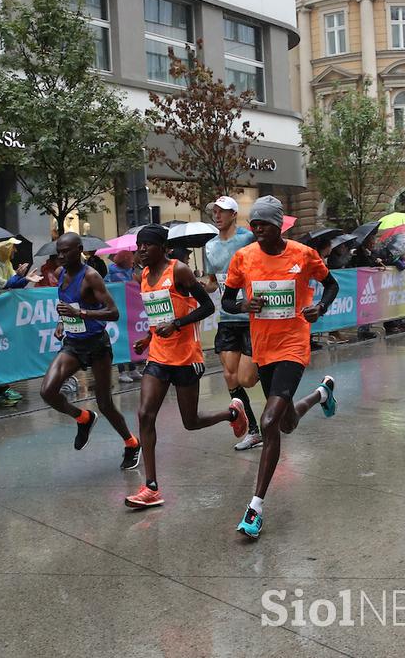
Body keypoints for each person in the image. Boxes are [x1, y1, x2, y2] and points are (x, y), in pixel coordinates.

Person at [221, 196, 340, 538]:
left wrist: (322, 306)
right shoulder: (243, 258)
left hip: (293, 345)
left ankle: (255, 508)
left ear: (279, 226)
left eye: (264, 225)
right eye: (254, 224)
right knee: (286, 423)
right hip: (263, 348)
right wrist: (243, 303)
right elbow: (228, 300)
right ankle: (321, 394)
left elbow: (330, 284)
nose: (257, 230)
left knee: (270, 421)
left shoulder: (303, 254)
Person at [124, 226, 250, 509]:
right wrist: (149, 336)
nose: (141, 250)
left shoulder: (179, 270)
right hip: (158, 356)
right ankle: (152, 487)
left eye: (147, 245)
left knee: (190, 422)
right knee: (145, 414)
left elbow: (207, 307)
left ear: (162, 247)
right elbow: (160, 315)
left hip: (186, 357)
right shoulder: (144, 275)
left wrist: (178, 325)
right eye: (138, 245)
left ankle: (232, 412)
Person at [39, 232, 139, 470]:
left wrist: (81, 314)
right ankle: (83, 418)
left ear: (80, 250)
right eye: (59, 252)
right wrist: (62, 323)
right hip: (73, 344)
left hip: (97, 344)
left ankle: (132, 443)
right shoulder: (59, 273)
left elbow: (113, 313)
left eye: (66, 251)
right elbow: (69, 307)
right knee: (47, 391)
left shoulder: (91, 277)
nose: (61, 256)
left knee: (104, 403)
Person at [202, 196, 263, 450]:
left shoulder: (247, 238)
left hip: (249, 316)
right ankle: (253, 430)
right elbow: (213, 283)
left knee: (247, 378)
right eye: (214, 211)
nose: (217, 215)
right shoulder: (209, 246)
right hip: (227, 316)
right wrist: (199, 285)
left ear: (233, 215)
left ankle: (272, 374)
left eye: (222, 211)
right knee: (229, 375)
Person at [0, 238, 39, 406]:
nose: (15, 252)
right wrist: (21, 277)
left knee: (5, 349)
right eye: (14, 248)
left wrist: (26, 279)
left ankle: (2, 387)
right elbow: (1, 285)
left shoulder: (5, 261)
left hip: (5, 310)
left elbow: (13, 283)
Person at [107, 251, 141, 384]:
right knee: (121, 341)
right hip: (119, 309)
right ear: (125, 259)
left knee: (131, 338)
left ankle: (132, 368)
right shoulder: (115, 272)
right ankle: (122, 371)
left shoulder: (129, 270)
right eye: (131, 258)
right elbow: (126, 285)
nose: (133, 261)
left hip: (129, 309)